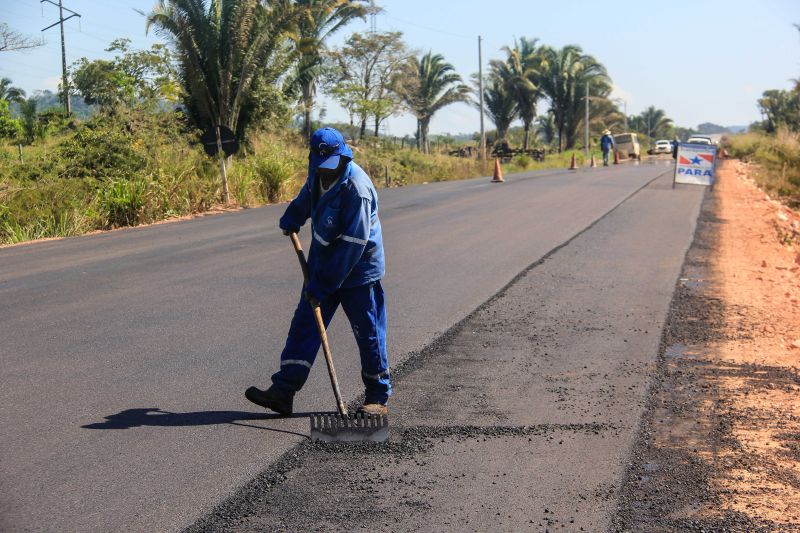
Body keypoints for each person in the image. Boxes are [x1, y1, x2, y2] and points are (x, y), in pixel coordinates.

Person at [245, 127, 391, 417]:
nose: (327, 170)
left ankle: (377, 397)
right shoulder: (316, 176)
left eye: (332, 164)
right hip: (324, 265)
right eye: (321, 165)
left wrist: (323, 284)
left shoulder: (356, 189)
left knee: (368, 333)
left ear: (343, 157)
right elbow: (305, 200)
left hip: (359, 271)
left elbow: (353, 245)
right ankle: (284, 391)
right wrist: (293, 217)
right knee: (305, 325)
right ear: (312, 159)